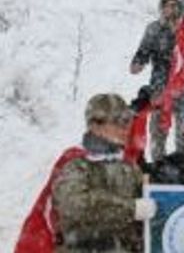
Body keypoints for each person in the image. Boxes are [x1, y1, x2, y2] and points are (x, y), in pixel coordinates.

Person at [17, 94, 148, 253]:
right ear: (95, 126)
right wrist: (131, 209)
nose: (125, 127)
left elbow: (148, 210)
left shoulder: (129, 167)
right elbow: (74, 205)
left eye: (127, 121)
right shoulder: (75, 163)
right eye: (117, 121)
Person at [129, 0, 183, 160]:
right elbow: (143, 52)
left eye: (175, 5)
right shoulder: (154, 29)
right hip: (160, 87)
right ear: (162, 7)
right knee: (158, 134)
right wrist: (138, 63)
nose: (171, 9)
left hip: (183, 88)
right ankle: (159, 167)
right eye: (167, 4)